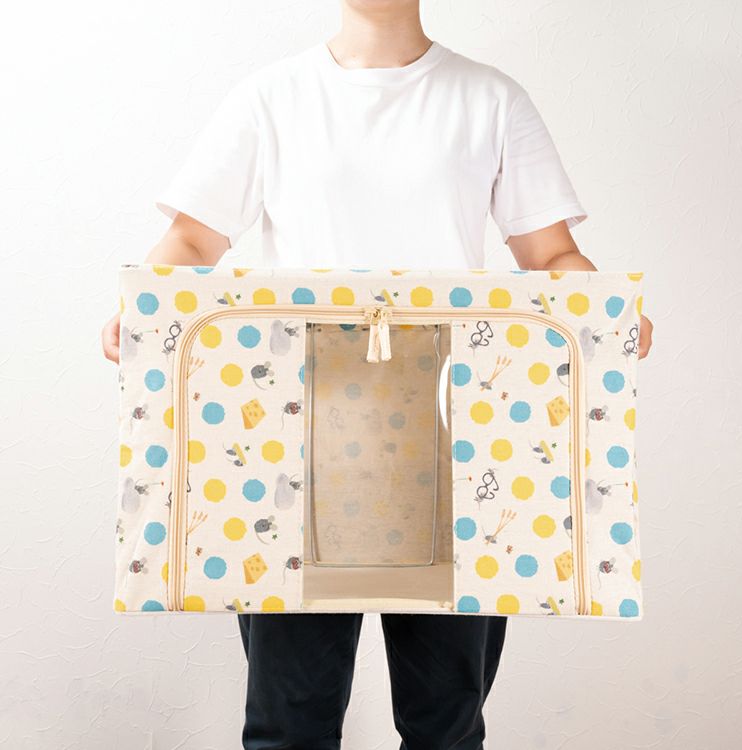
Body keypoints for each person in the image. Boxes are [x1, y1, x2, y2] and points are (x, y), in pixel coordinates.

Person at [102, 2, 654, 748]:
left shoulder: (489, 98)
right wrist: (142, 311)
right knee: (288, 726)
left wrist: (605, 315)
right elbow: (194, 240)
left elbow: (550, 255)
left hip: (454, 448)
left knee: (445, 725)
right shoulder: (272, 96)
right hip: (292, 452)